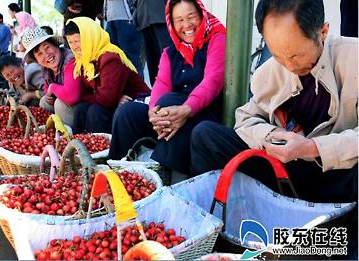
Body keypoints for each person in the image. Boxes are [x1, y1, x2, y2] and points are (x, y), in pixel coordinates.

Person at [190, 0, 357, 259]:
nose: (288, 65)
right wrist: (268, 137)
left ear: (322, 31)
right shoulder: (270, 71)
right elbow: (245, 119)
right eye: (277, 54)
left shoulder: (353, 59)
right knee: (206, 136)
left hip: (337, 178)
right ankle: (220, 230)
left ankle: (328, 244)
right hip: (285, 172)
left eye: (295, 55)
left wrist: (312, 147)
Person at [109, 0, 226, 175]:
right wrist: (152, 113)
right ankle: (118, 171)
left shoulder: (217, 39)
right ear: (171, 23)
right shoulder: (170, 53)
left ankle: (163, 175)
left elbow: (212, 81)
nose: (186, 25)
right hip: (171, 116)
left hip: (204, 114)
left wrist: (186, 109)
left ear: (202, 15)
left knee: (169, 101)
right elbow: (161, 85)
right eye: (179, 20)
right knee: (128, 112)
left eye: (191, 16)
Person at [64, 17, 150, 134]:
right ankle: (79, 146)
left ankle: (103, 150)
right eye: (71, 42)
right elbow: (84, 94)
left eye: (78, 40)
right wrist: (110, 98)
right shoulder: (85, 59)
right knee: (81, 109)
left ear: (90, 38)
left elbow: (105, 100)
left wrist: (107, 98)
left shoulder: (110, 58)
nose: (74, 46)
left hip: (135, 105)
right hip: (115, 102)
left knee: (96, 111)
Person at [21, 27, 81, 126]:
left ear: (55, 45)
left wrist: (53, 87)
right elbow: (46, 88)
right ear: (37, 60)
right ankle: (52, 130)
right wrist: (50, 91)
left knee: (60, 103)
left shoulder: (70, 60)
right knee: (45, 101)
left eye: (47, 47)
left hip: (83, 105)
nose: (46, 55)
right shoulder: (47, 68)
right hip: (71, 105)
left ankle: (69, 135)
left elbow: (72, 96)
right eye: (39, 54)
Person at [134, 0, 172, 85]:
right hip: (143, 17)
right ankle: (156, 91)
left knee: (167, 57)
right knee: (152, 62)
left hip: (161, 15)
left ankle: (171, 90)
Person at [104, 0, 145, 78]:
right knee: (114, 59)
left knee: (131, 59)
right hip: (111, 18)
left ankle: (138, 89)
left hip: (127, 18)